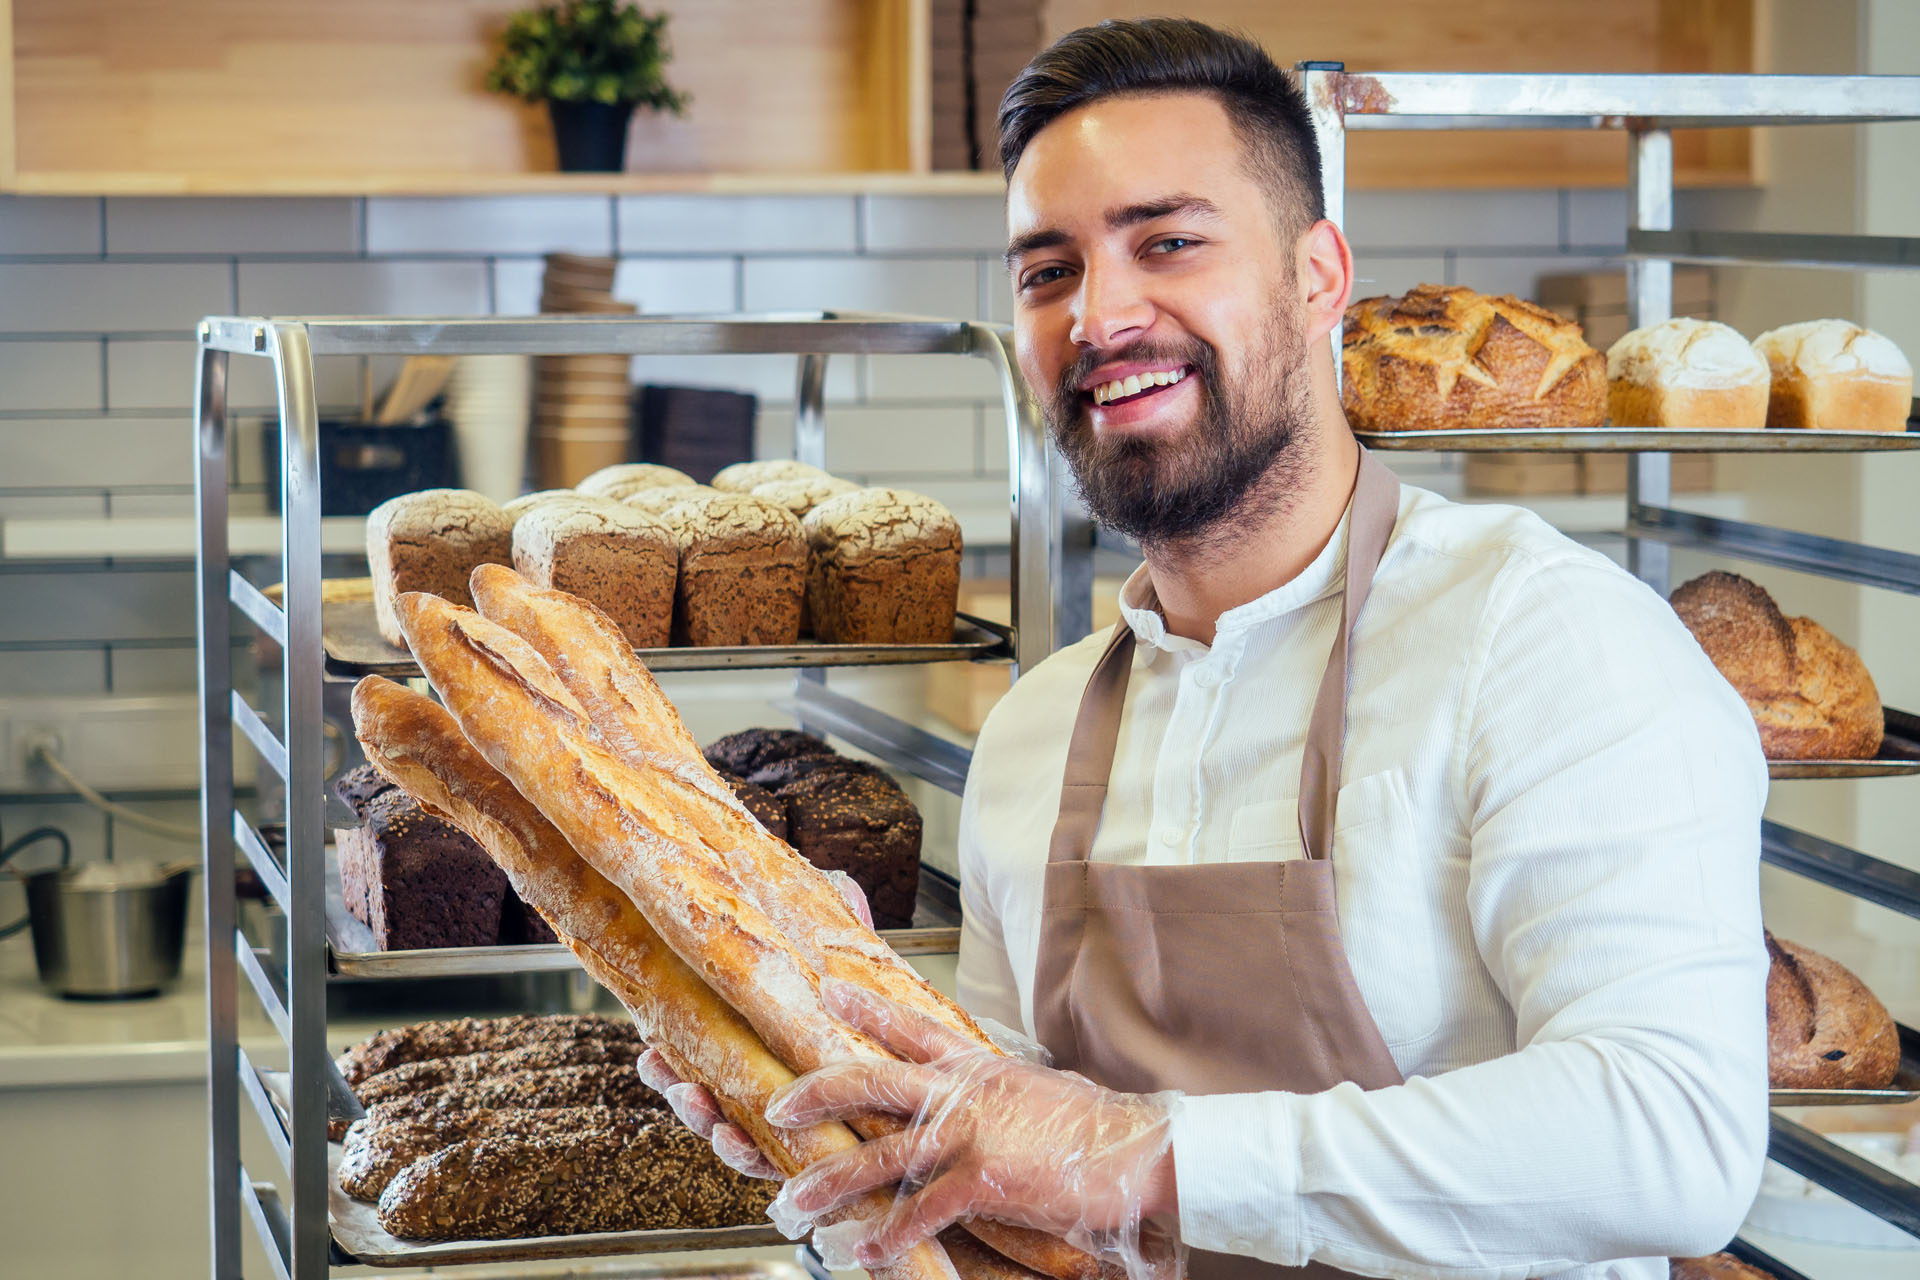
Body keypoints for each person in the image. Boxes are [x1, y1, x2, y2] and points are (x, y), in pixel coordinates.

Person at [640, 17, 1769, 1280]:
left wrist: (1145, 1149)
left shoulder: (1541, 636)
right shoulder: (1034, 734)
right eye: (1047, 270)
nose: (1102, 313)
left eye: (1168, 242)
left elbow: (1676, 1135)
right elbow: (1009, 1215)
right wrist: (855, 1130)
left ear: (1319, 274)